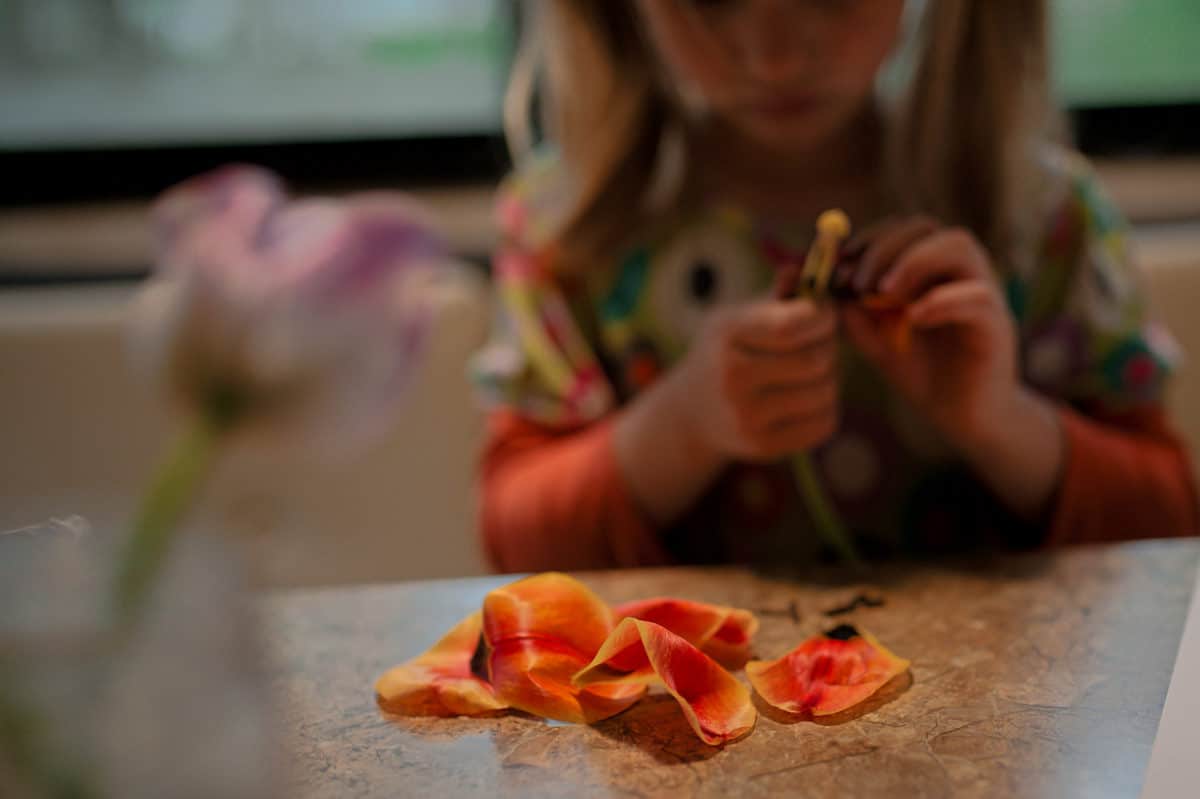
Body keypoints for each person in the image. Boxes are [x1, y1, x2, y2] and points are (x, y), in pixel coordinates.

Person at [473, 0, 1197, 573]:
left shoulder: (1044, 221)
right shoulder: (568, 230)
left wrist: (1000, 420)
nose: (776, 56)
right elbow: (515, 539)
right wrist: (682, 427)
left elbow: (1168, 529)